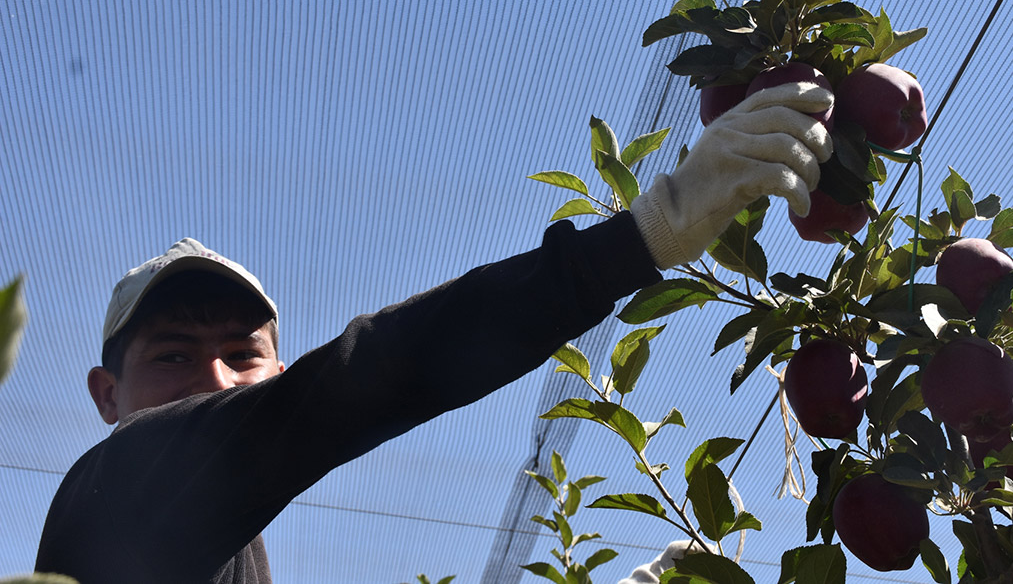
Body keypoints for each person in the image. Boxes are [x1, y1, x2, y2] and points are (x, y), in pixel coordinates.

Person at [34, 82, 833, 583]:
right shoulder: (108, 494)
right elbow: (363, 376)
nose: (215, 379)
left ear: (276, 372)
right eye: (173, 355)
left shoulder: (232, 554)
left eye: (244, 356)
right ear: (108, 395)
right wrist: (640, 236)